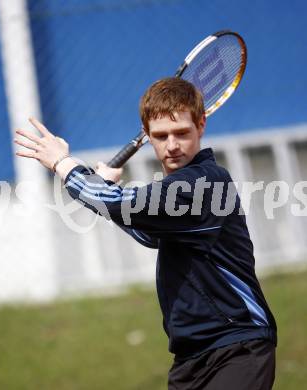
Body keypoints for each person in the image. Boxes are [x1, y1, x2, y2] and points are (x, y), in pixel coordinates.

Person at [15, 77, 277, 389]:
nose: (173, 145)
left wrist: (63, 163)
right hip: (191, 358)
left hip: (238, 348)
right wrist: (106, 190)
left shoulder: (205, 182)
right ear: (148, 136)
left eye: (182, 133)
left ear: (202, 125)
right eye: (161, 136)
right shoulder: (175, 191)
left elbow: (118, 205)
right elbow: (148, 233)